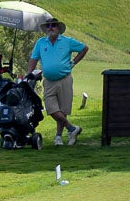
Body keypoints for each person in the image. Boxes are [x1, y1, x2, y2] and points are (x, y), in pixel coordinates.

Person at [28, 17, 88, 146]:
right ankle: (72, 129)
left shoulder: (67, 41)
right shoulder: (41, 42)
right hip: (49, 80)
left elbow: (84, 48)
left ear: (58, 28)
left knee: (63, 110)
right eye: (48, 26)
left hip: (64, 79)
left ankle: (58, 137)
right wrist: (30, 74)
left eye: (53, 25)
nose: (51, 28)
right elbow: (34, 58)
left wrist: (73, 63)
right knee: (51, 109)